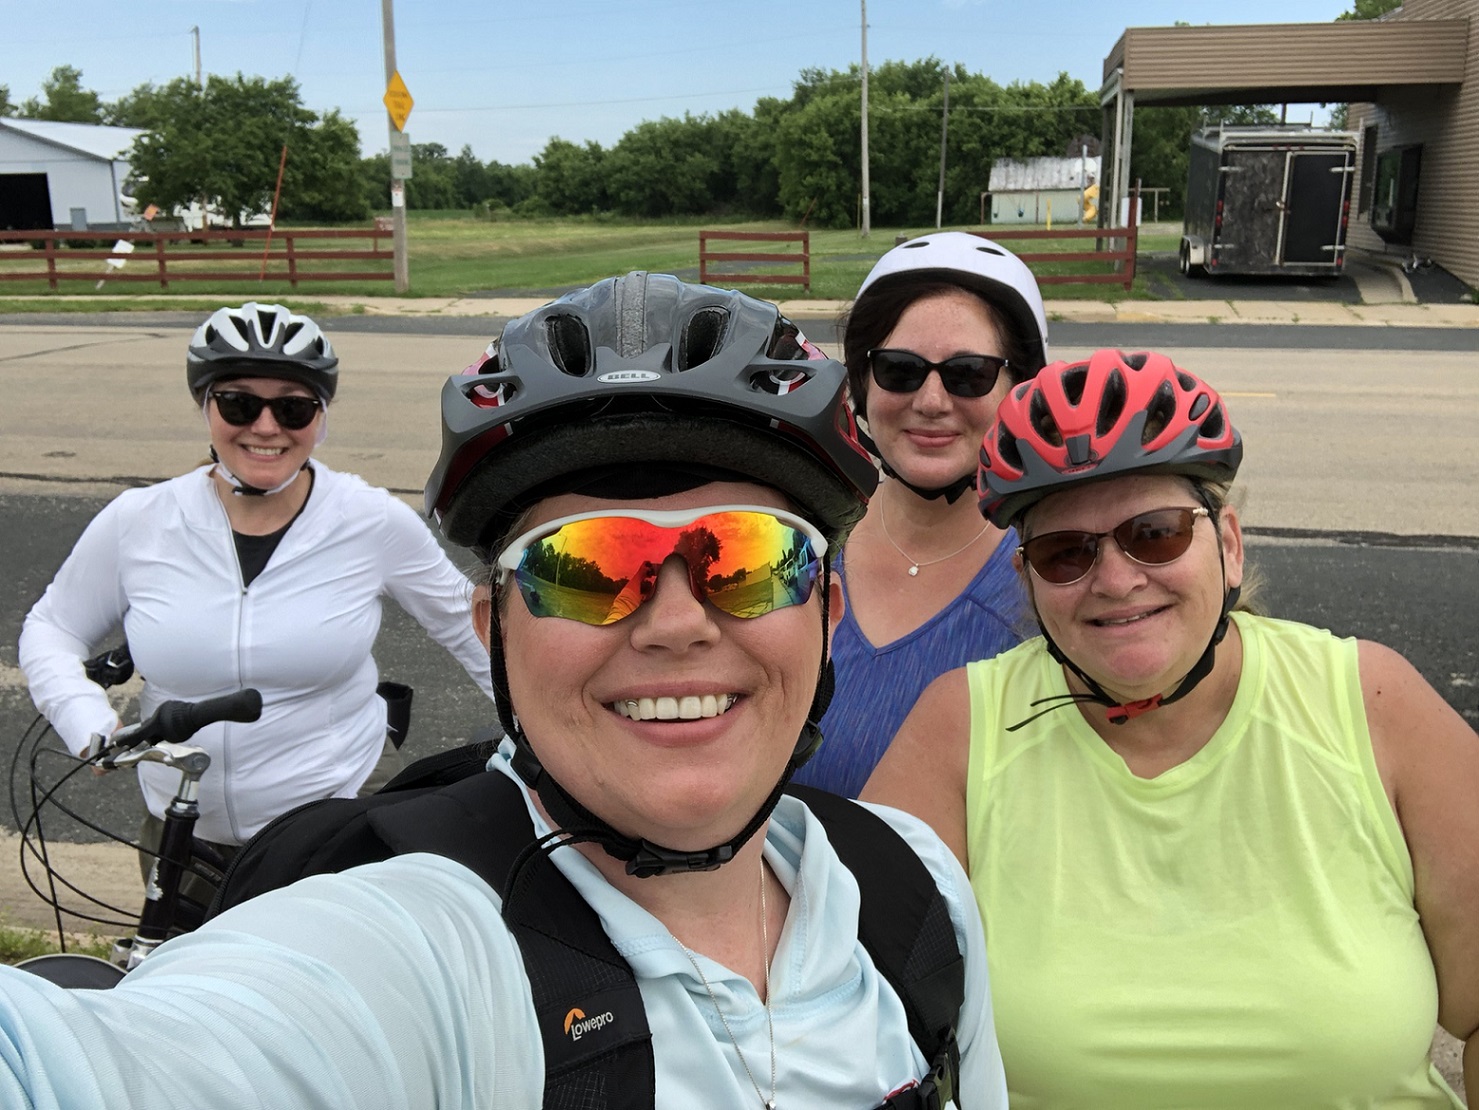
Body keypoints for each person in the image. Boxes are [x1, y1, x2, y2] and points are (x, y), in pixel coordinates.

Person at [0, 274, 1008, 1109]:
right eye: (585, 567)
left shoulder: (912, 890)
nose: (676, 622)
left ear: (826, 606)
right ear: (499, 635)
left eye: (746, 558)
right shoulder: (422, 952)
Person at [863, 349, 1479, 1107]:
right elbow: (858, 1021)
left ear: (1226, 544)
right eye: (1064, 552)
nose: (1116, 579)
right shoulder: (962, 726)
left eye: (1154, 533)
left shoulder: (1369, 700)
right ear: (1024, 577)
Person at [18, 302, 496, 879]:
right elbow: (52, 628)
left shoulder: (369, 520)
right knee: (174, 964)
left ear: (321, 417)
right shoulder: (139, 521)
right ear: (206, 406)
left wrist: (544, 733)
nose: (266, 427)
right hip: (181, 820)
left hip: (331, 814)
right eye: (239, 403)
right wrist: (86, 721)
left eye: (293, 408)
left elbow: (469, 626)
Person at [793, 231, 1049, 797]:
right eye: (900, 370)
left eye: (968, 374)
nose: (931, 401)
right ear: (862, 384)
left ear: (1019, 387)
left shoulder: (1058, 576)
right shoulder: (801, 543)